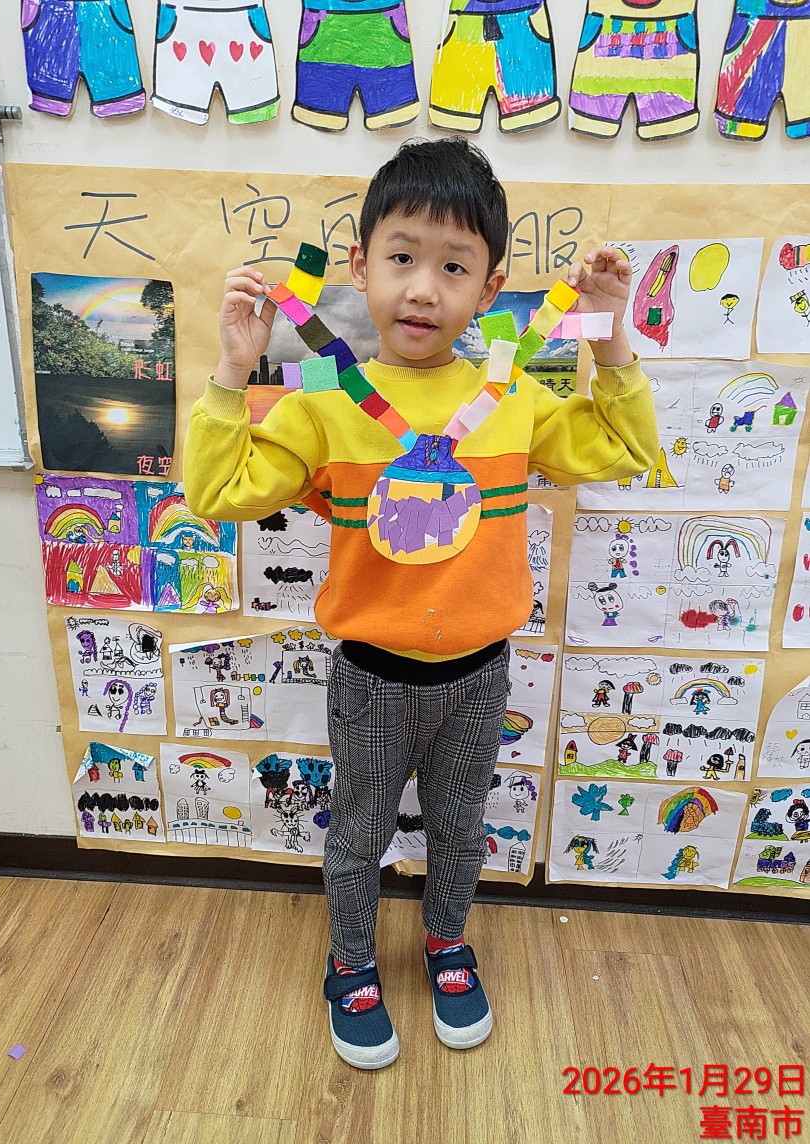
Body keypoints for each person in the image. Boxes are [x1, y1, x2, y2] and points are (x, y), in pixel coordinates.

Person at [183, 138, 658, 1070]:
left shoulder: (512, 396)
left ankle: (447, 943)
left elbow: (621, 450)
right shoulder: (326, 404)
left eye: (454, 268)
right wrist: (233, 371)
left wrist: (610, 337)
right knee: (358, 833)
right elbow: (217, 490)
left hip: (481, 677)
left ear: (491, 288)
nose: (423, 290)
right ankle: (351, 963)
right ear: (359, 265)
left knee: (461, 829)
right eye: (401, 258)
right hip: (369, 678)